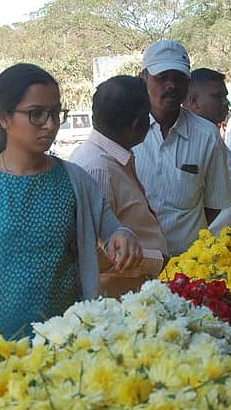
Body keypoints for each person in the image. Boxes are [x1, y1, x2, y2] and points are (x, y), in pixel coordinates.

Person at [0, 64, 142, 354]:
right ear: (4, 118)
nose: (50, 124)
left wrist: (123, 236)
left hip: (70, 348)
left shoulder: (75, 180)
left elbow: (112, 229)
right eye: (36, 114)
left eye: (55, 113)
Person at [69, 75, 168, 297]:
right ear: (137, 123)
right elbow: (95, 253)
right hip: (117, 301)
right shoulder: (97, 167)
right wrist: (157, 262)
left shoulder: (113, 157)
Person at [133, 40, 231, 256]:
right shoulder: (125, 131)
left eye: (179, 78)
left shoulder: (207, 136)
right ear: (144, 79)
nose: (171, 85)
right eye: (162, 77)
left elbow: (214, 204)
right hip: (136, 264)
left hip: (187, 267)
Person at [184, 68, 231, 235]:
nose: (225, 103)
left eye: (225, 96)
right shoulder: (188, 140)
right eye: (217, 97)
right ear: (194, 101)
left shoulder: (210, 135)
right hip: (212, 242)